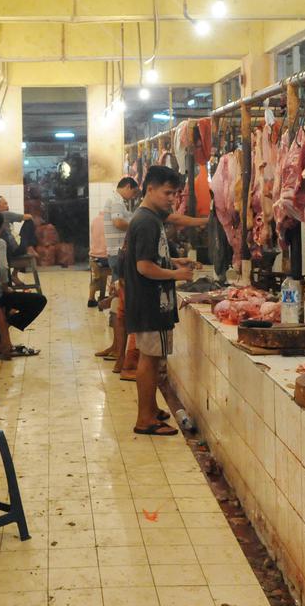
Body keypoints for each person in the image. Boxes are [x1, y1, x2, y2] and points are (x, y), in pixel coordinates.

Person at [123, 165, 196, 436]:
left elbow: (152, 258)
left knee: (153, 358)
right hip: (150, 302)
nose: (172, 199)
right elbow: (144, 266)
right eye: (167, 192)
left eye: (175, 194)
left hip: (152, 301)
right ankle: (145, 419)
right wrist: (177, 274)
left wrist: (174, 260)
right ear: (150, 188)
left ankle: (151, 409)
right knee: (150, 359)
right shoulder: (145, 222)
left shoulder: (151, 218)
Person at [0, 208, 46, 358]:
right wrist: (6, 286)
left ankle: (3, 332)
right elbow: (1, 267)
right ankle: (5, 329)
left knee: (7, 304)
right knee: (39, 301)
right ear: (2, 226)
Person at [96, 177, 139, 361]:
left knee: (116, 300)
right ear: (128, 187)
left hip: (117, 254)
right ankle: (118, 350)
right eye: (134, 192)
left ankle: (116, 347)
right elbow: (118, 223)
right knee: (119, 302)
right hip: (119, 255)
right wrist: (139, 225)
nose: (133, 197)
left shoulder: (117, 200)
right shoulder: (116, 200)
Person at [87, 210, 109, 308]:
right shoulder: (110, 221)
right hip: (106, 257)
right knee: (117, 273)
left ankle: (91, 299)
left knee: (96, 278)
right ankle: (107, 298)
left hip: (94, 257)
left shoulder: (95, 220)